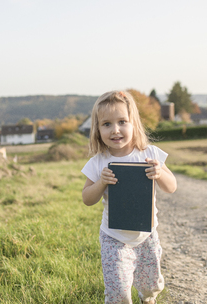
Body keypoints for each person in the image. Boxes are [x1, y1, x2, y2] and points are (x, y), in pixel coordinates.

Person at [81, 90, 177, 304]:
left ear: (134, 122)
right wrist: (101, 183)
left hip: (147, 236)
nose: (115, 130)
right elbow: (87, 198)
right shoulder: (99, 162)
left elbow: (172, 187)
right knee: (118, 294)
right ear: (97, 129)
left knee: (150, 285)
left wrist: (159, 174)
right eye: (106, 124)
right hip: (113, 239)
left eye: (122, 121)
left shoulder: (150, 153)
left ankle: (148, 298)